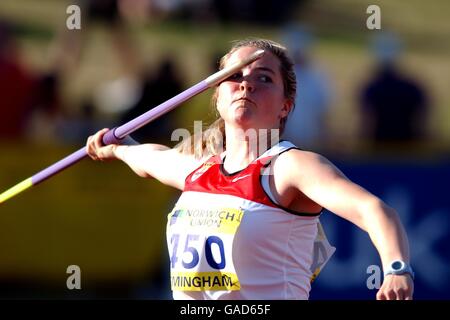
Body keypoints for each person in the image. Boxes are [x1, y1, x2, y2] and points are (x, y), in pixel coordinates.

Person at [85, 39, 414, 300]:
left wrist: (397, 268)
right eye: (234, 77)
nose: (246, 85)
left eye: (264, 78)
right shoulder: (197, 171)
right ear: (217, 97)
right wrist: (115, 148)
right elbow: (149, 159)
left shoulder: (288, 168)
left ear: (285, 105)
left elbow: (373, 210)